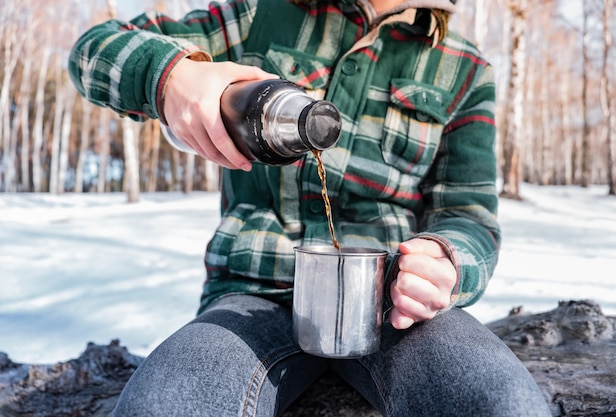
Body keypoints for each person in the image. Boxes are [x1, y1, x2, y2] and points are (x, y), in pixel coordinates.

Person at [69, 0, 552, 415]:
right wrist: (173, 76)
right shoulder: (259, 17)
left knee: (502, 403)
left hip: (396, 311)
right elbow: (95, 50)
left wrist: (446, 261)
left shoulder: (464, 70)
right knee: (167, 405)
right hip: (254, 300)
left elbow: (469, 216)